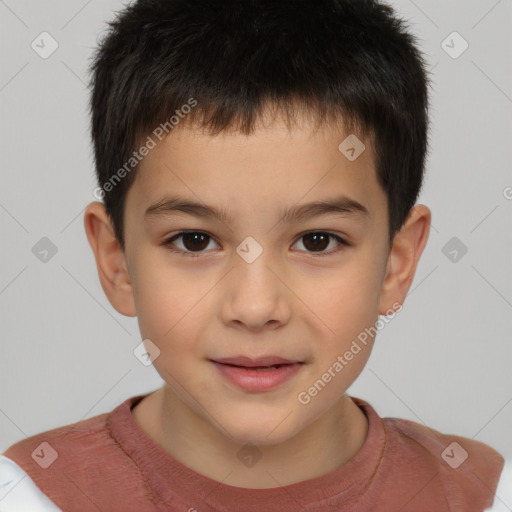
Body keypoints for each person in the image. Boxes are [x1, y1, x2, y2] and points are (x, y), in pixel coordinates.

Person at [1, 0, 510, 510]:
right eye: (194, 240)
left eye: (317, 240)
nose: (255, 307)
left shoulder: (483, 495)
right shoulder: (27, 496)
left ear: (396, 263)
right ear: (117, 261)